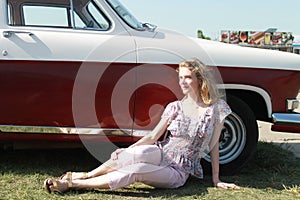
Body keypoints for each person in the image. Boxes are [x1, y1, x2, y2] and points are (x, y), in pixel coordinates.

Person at [44, 58, 240, 193]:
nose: (183, 82)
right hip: (162, 152)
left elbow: (214, 145)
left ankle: (74, 185)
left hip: (179, 170)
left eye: (187, 77)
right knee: (131, 155)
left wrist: (216, 179)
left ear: (200, 79)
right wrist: (126, 150)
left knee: (137, 170)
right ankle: (87, 175)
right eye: (180, 77)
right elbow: (153, 137)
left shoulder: (217, 108)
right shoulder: (175, 107)